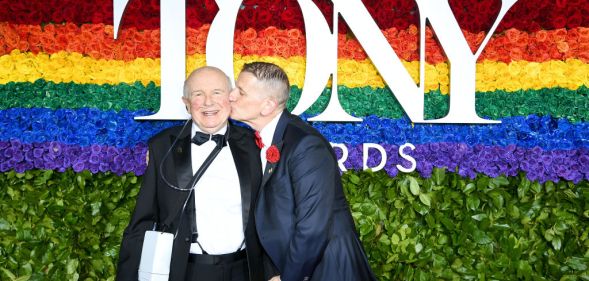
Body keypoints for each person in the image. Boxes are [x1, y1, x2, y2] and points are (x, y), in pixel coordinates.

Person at [229, 62, 376, 281]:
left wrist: (289, 277)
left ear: (267, 106)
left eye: (240, 92)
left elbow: (313, 227)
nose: (231, 96)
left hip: (326, 268)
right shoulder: (264, 138)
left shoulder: (306, 145)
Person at [116, 66, 265, 281]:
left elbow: (272, 216)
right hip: (187, 271)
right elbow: (144, 219)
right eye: (198, 94)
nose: (208, 102)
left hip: (246, 270)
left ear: (230, 98)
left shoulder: (254, 144)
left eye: (216, 92)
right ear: (186, 103)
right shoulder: (162, 146)